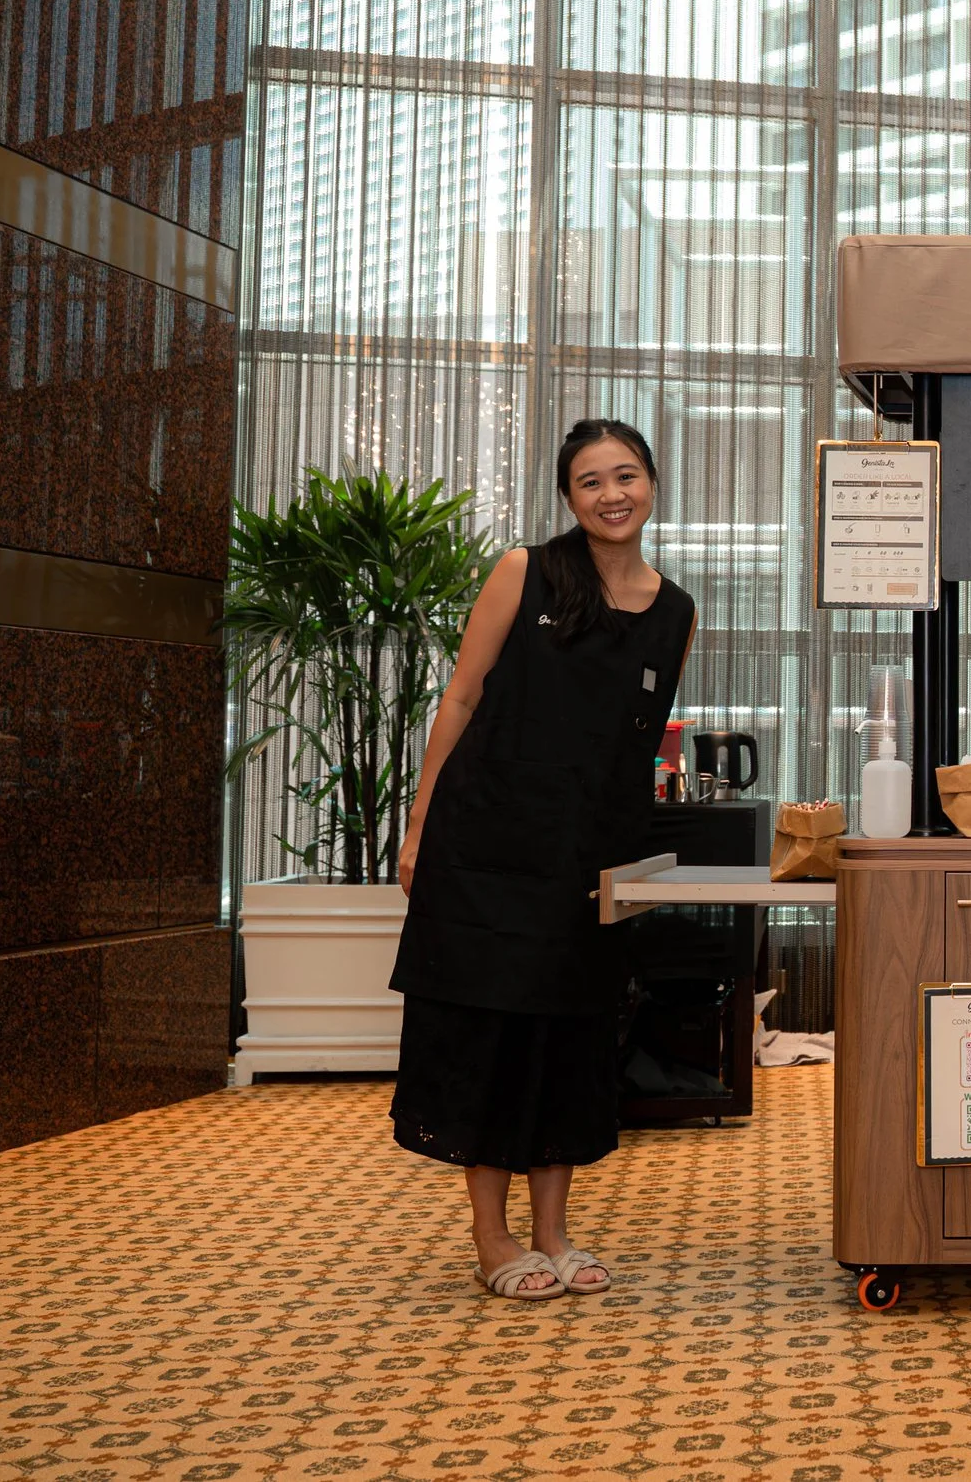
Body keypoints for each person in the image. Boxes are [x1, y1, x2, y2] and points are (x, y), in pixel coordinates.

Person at [391, 419, 696, 1301]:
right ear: (569, 497)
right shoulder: (525, 572)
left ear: (651, 484)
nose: (611, 494)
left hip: (589, 855)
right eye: (590, 481)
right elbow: (461, 697)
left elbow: (636, 740)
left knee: (570, 1032)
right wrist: (419, 825)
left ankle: (552, 1232)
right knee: (489, 1033)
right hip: (486, 843)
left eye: (625, 476)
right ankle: (491, 1237)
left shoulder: (675, 610)